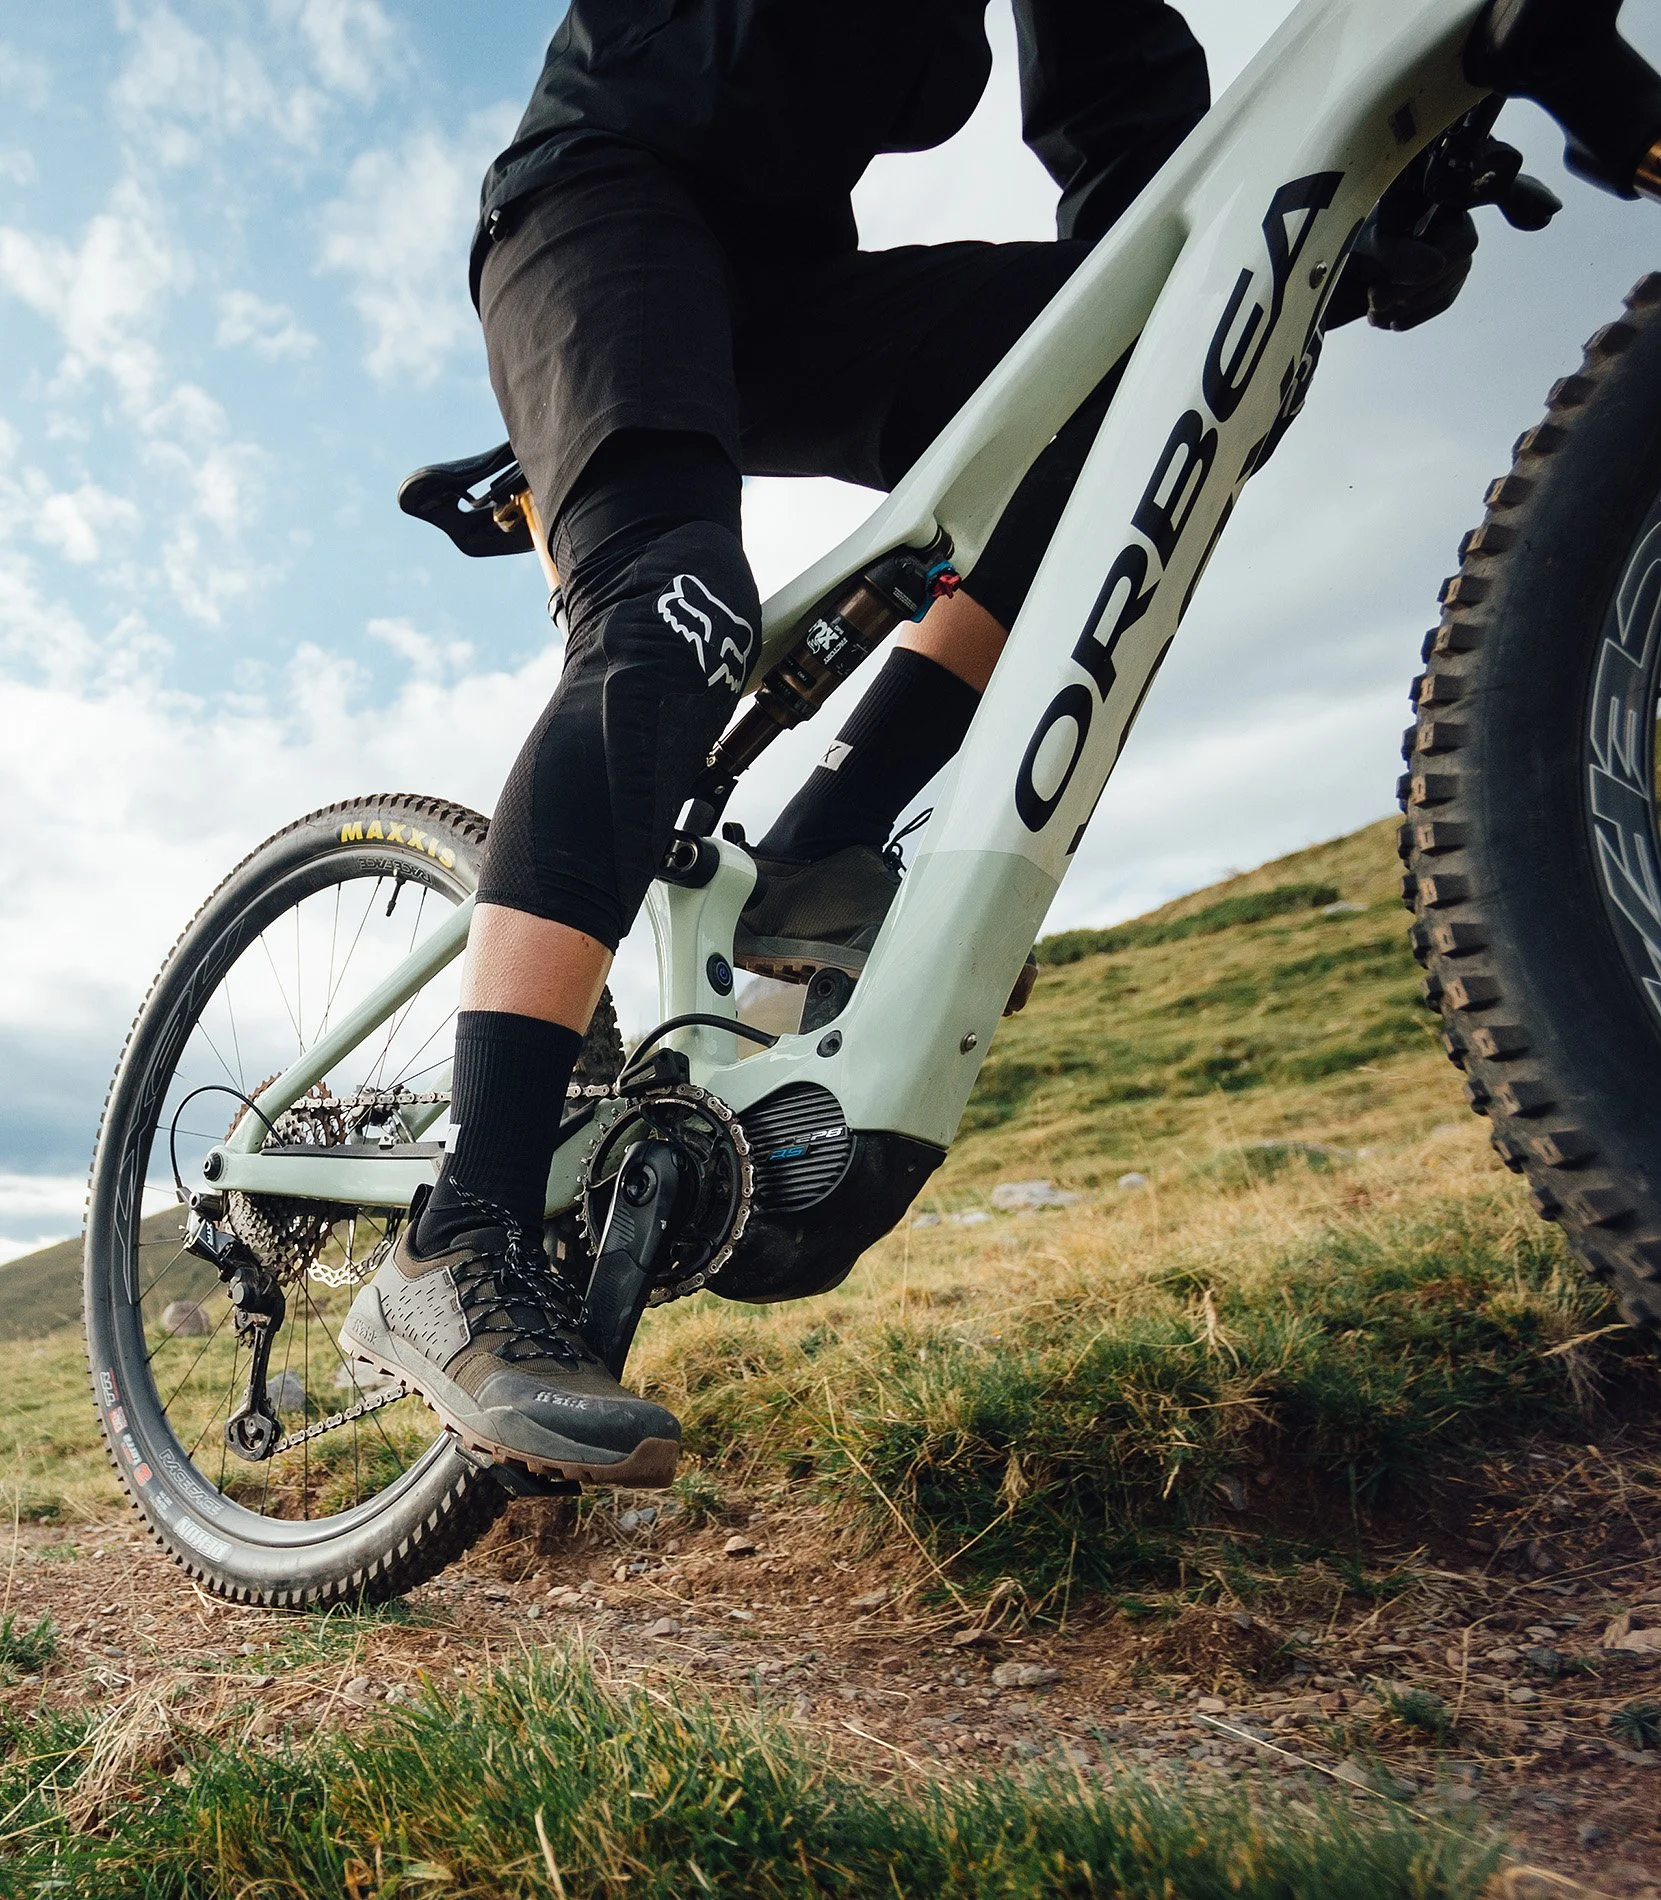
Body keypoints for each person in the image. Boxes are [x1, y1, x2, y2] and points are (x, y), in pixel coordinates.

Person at [342, 0, 1478, 1486]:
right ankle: (463, 1230)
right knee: (675, 614)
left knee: (1175, 374)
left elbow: (1132, 142)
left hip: (780, 289)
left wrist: (1319, 252)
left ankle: (823, 839)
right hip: (598, 212)